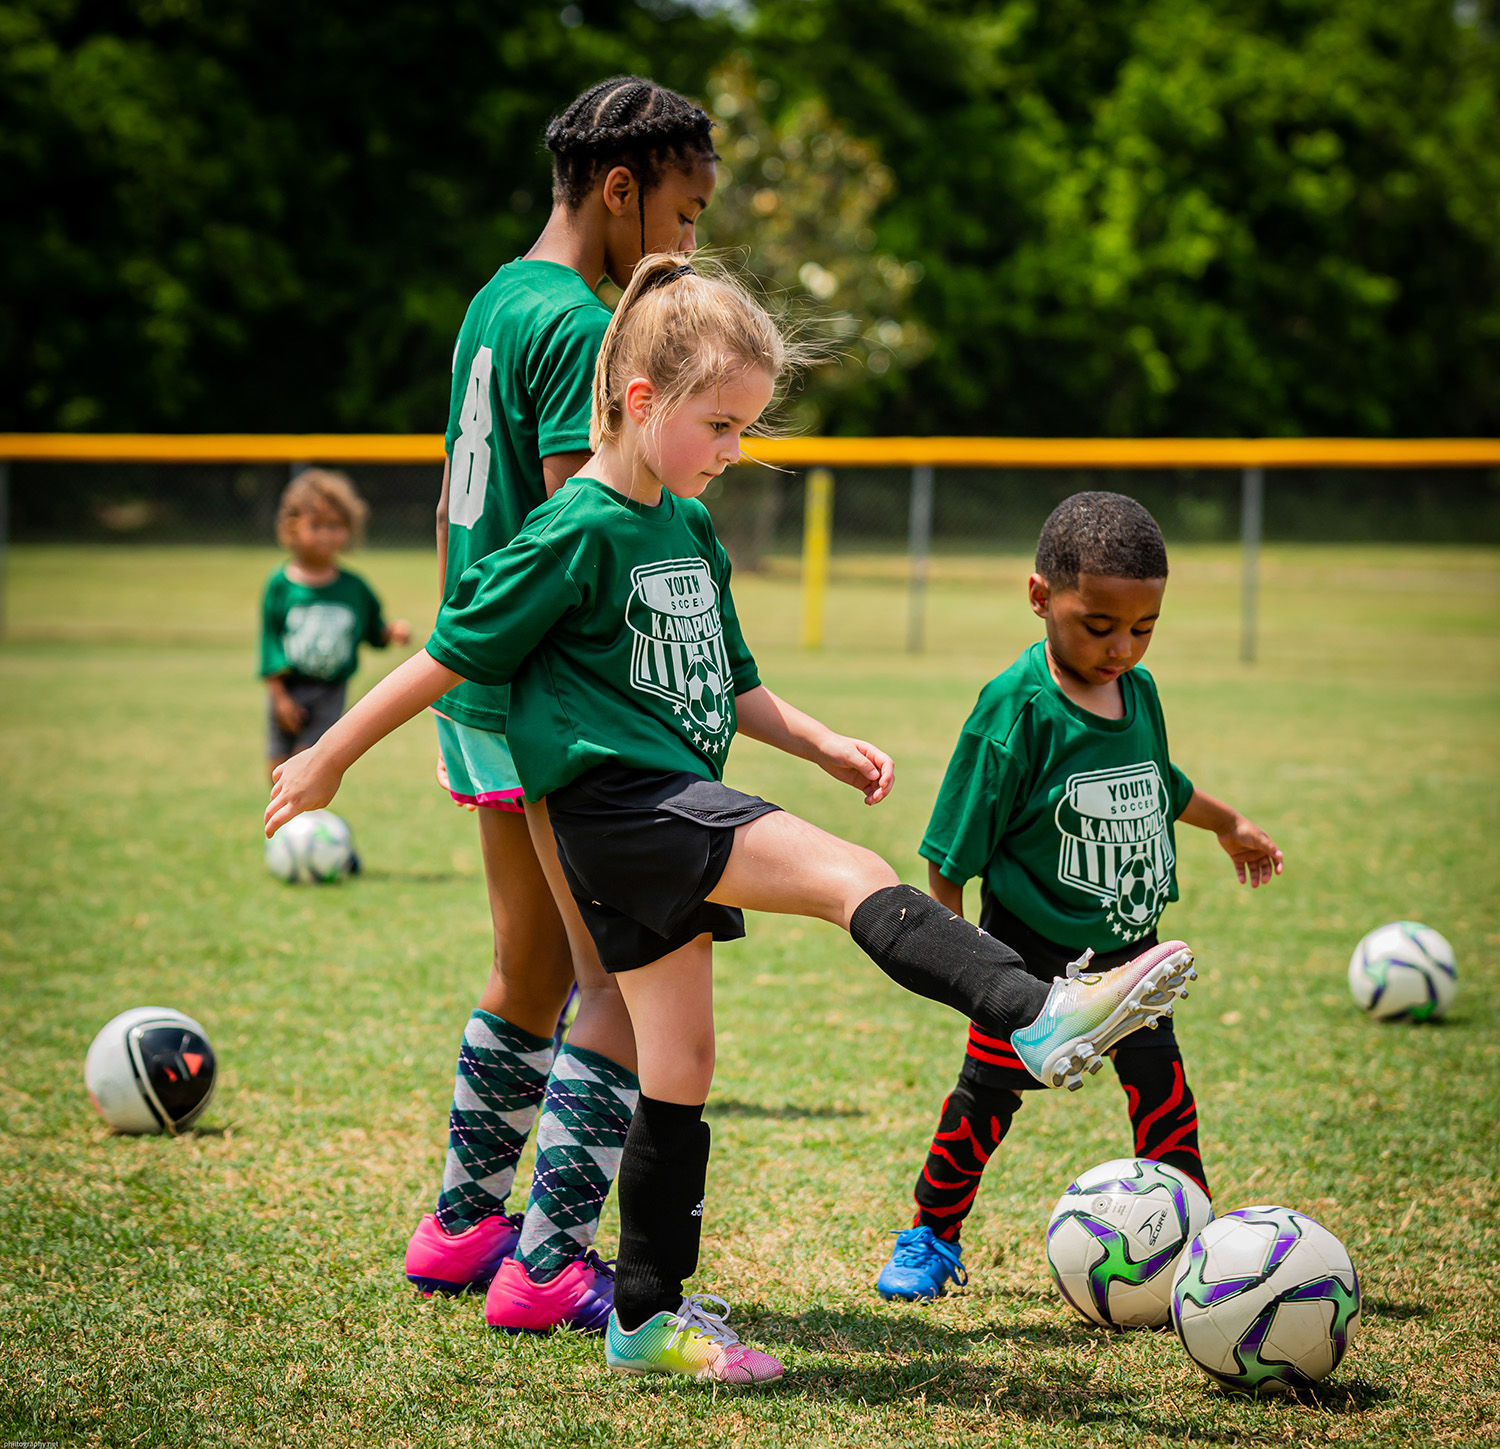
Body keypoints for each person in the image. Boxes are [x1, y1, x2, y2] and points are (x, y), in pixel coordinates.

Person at [267, 258, 1200, 1385]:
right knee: (843, 870)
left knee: (683, 1061)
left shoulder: (692, 533)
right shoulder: (571, 531)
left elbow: (731, 685)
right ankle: (1037, 1010)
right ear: (642, 401)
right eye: (721, 425)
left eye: (749, 428)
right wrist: (324, 757)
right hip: (621, 808)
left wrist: (819, 742)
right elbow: (445, 655)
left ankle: (644, 1321)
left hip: (654, 812)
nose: (734, 452)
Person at [403, 77, 725, 1338]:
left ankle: (465, 1226)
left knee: (526, 967)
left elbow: (450, 510)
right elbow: (584, 522)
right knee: (611, 983)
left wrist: (462, 665)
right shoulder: (583, 325)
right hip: (552, 700)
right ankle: (547, 1266)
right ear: (621, 190)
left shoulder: (494, 297)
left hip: (479, 677)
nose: (688, 249)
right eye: (685, 218)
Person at [874, 492, 1283, 1304]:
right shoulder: (1017, 708)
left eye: (1144, 627)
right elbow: (949, 851)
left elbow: (1158, 782)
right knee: (985, 1101)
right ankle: (929, 1234)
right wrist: (968, 969)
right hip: (1029, 958)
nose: (1122, 647)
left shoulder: (1141, 693)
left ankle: (1193, 1240)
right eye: (1099, 626)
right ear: (1039, 598)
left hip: (1134, 953)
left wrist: (1226, 821)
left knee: (1164, 1093)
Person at [260, 468, 410, 782]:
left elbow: (372, 630)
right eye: (316, 525)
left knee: (306, 763)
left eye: (336, 526)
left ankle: (305, 827)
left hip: (331, 691)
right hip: (289, 687)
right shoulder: (280, 584)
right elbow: (270, 642)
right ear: (291, 527)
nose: (327, 534)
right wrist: (280, 698)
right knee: (276, 765)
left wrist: (390, 632)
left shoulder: (354, 587)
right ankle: (281, 829)